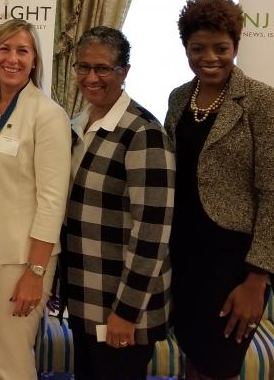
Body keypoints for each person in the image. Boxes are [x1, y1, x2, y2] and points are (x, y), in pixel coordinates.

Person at [165, 0, 274, 380]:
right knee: (192, 353)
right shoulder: (179, 98)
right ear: (186, 48)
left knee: (218, 365)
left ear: (235, 46)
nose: (209, 58)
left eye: (220, 48)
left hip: (233, 265)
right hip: (184, 254)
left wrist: (257, 279)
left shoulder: (264, 101)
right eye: (198, 48)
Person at [0, 19, 71, 379]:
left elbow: (53, 200)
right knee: (0, 352)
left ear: (35, 60)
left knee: (13, 361)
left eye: (23, 51)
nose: (12, 59)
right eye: (4, 49)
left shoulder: (48, 115)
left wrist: (36, 272)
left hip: (22, 260)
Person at [62, 26, 175, 380]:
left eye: (102, 68)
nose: (91, 78)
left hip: (122, 309)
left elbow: (152, 233)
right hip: (85, 299)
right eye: (83, 67)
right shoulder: (77, 126)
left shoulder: (144, 133)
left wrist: (126, 312)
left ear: (124, 71)